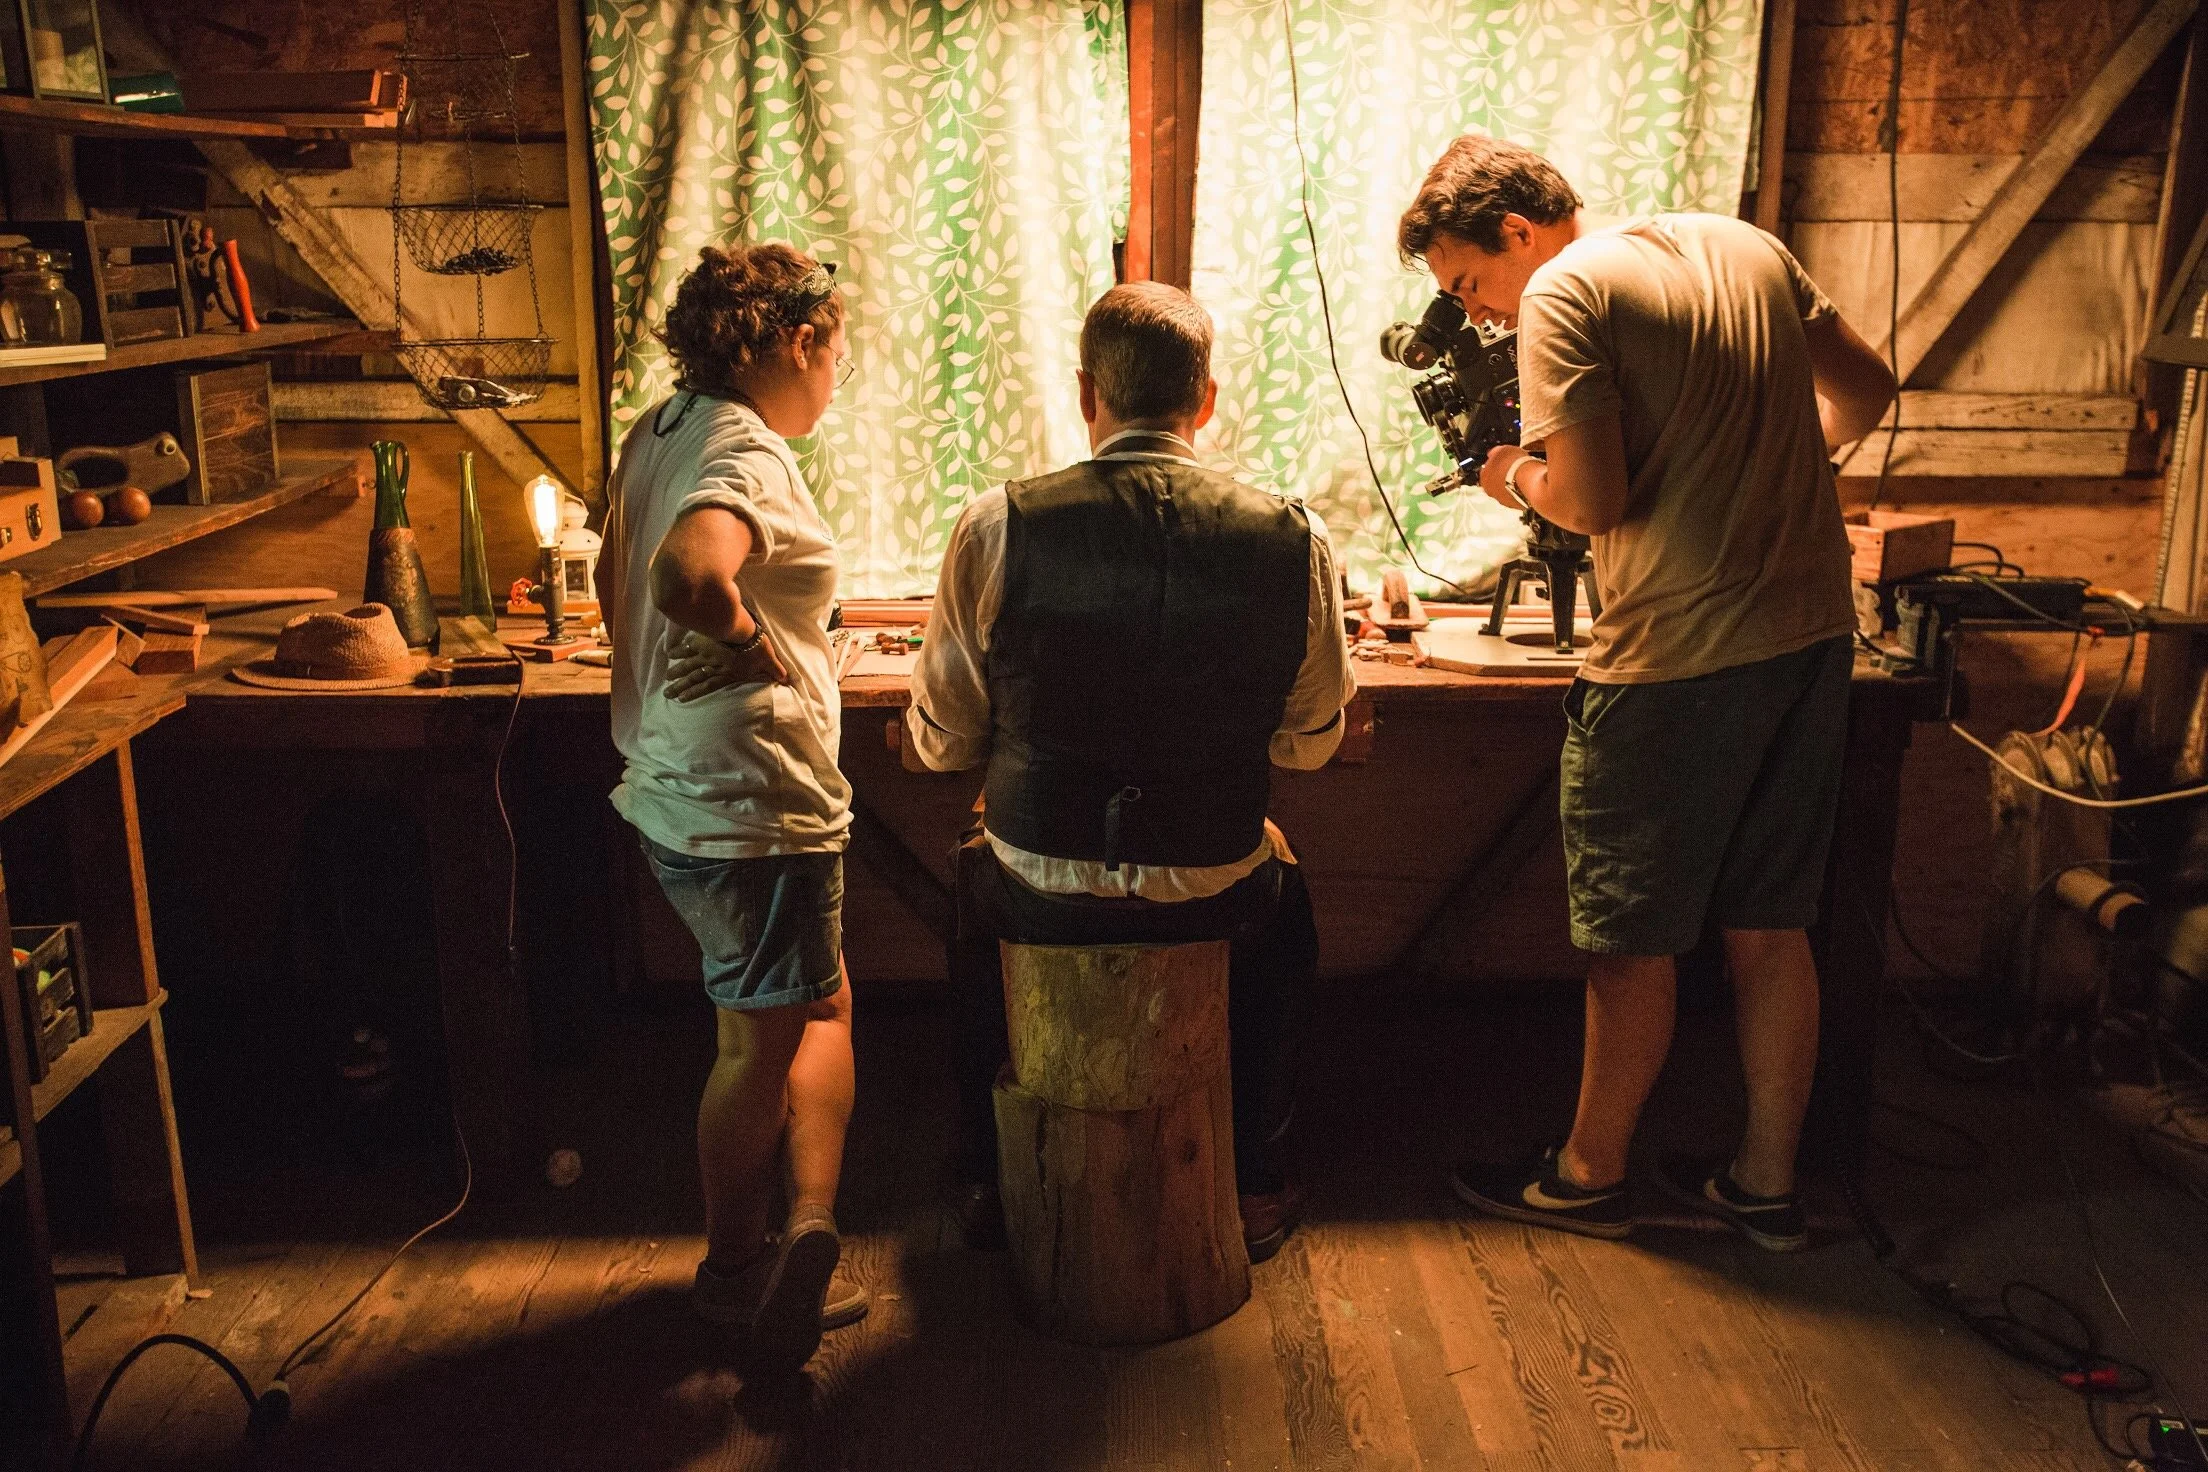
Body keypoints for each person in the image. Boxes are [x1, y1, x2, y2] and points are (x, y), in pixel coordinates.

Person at [1395, 136, 1898, 1250]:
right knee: (1772, 929)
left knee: (1634, 939)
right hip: (1810, 634)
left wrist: (1510, 472)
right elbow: (1868, 386)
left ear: (1517, 231)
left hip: (1676, 652)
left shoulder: (1566, 291)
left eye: (1473, 285)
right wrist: (1783, 471)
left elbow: (1595, 500)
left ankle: (1587, 1175)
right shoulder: (1743, 245)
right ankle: (1764, 1184)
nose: (1479, 316)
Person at [905, 282, 1354, 1263]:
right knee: (1285, 914)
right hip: (1212, 880)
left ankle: (985, 1170)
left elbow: (942, 743)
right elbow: (1312, 740)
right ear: (1206, 399)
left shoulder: (996, 523)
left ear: (1083, 391)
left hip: (1040, 882)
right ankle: (1258, 1175)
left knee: (975, 890)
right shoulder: (1294, 535)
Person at [597, 241, 867, 1372]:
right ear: (798, 341)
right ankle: (738, 1266)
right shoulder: (742, 449)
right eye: (837, 352)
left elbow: (638, 576)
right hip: (752, 803)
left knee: (808, 1007)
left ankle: (798, 1224)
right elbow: (689, 576)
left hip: (678, 786)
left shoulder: (661, 425)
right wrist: (760, 649)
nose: (838, 376)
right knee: (765, 1040)